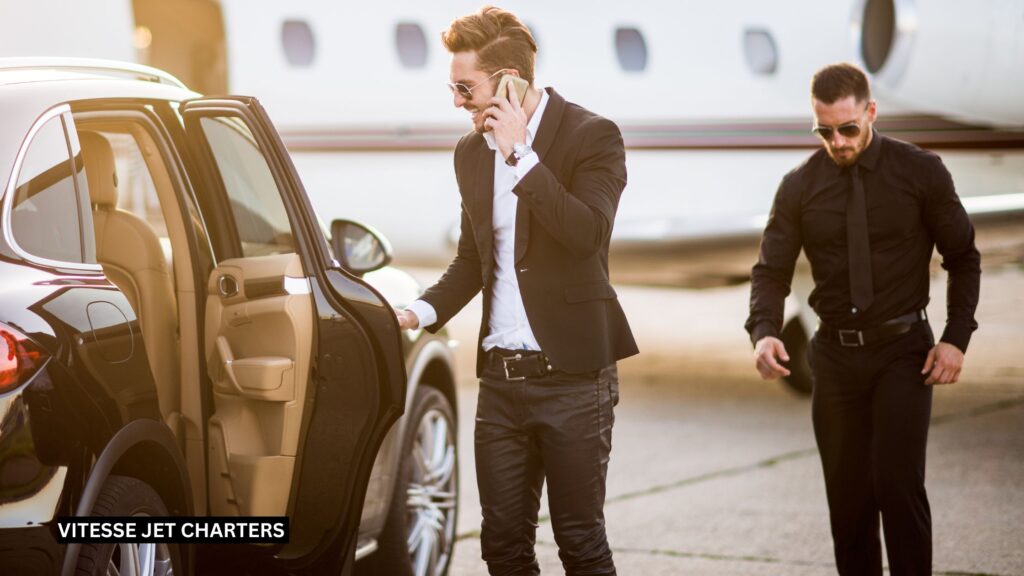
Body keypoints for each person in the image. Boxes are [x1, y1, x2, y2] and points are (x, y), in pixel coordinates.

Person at [395, 6, 637, 575]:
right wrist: (416, 311)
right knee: (501, 548)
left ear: (510, 81)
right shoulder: (468, 153)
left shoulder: (592, 136)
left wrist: (521, 155)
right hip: (500, 383)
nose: (457, 101)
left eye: (465, 87)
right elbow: (472, 260)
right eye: (452, 87)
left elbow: (586, 236)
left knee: (580, 543)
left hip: (576, 379)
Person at [746, 62, 981, 575]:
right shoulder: (799, 187)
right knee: (848, 503)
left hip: (902, 351)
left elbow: (964, 257)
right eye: (825, 131)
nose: (839, 141)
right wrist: (763, 332)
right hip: (832, 357)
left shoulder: (921, 172)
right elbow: (770, 271)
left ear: (870, 112)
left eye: (849, 128)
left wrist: (955, 338)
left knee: (898, 490)